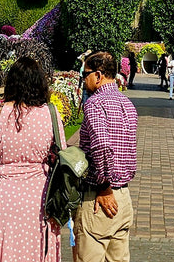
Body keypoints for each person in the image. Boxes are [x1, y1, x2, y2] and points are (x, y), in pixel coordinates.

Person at [0, 56, 60, 262]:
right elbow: (60, 154)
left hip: (2, 198)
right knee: (34, 250)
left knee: (3, 250)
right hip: (38, 197)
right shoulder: (49, 114)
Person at [75, 51, 138, 262]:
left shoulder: (94, 103)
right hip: (123, 198)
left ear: (99, 75)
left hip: (100, 198)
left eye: (86, 75)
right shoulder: (127, 104)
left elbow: (102, 145)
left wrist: (104, 186)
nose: (83, 80)